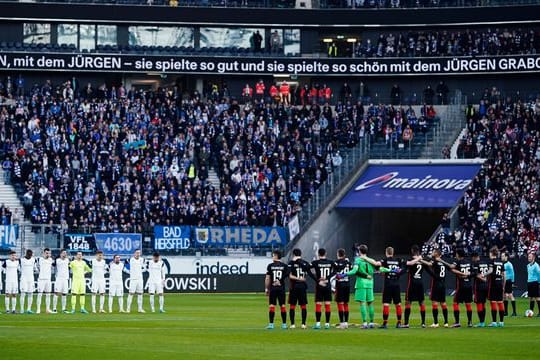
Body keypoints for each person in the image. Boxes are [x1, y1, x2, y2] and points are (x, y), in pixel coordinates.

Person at [342, 244, 391, 329]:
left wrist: (343, 274)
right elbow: (380, 269)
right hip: (370, 283)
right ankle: (371, 322)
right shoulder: (371, 260)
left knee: (363, 303)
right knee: (370, 303)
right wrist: (391, 270)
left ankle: (365, 323)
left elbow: (354, 271)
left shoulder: (358, 260)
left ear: (359, 251)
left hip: (361, 283)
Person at [363, 247, 405, 328]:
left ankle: (385, 323)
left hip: (388, 284)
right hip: (396, 284)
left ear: (386, 252)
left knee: (386, 304)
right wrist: (398, 273)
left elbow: (378, 265)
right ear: (393, 252)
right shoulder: (398, 260)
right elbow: (403, 269)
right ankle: (399, 323)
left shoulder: (385, 260)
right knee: (398, 304)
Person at [446, 249, 474, 328]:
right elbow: (474, 273)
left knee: (455, 302)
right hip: (469, 286)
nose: (455, 255)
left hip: (461, 286)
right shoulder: (469, 262)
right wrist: (468, 275)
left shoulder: (457, 262)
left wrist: (443, 261)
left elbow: (451, 268)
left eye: (456, 254)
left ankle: (457, 322)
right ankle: (470, 322)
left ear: (458, 255)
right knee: (468, 304)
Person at [288, 248, 314, 329]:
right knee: (303, 306)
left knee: (292, 305)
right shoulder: (305, 263)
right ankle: (303, 324)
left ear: (293, 254)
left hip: (294, 286)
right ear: (301, 254)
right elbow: (310, 273)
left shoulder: (291, 263)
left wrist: (297, 278)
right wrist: (317, 280)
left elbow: (290, 275)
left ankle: (292, 324)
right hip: (302, 286)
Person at [423, 249, 449, 328]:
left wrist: (420, 260)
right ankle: (446, 322)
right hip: (443, 284)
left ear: (437, 254)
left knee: (434, 303)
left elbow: (429, 264)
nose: (432, 253)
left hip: (436, 283)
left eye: (433, 252)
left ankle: (436, 322)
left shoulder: (435, 261)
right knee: (443, 303)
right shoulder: (443, 262)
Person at [310, 248, 334, 329]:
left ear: (318, 254)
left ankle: (318, 324)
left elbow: (307, 269)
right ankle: (327, 324)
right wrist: (328, 277)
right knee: (327, 304)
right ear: (325, 253)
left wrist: (317, 280)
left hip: (319, 285)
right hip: (327, 285)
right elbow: (337, 269)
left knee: (318, 304)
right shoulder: (330, 262)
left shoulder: (315, 263)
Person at [264, 250, 289, 329]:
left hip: (273, 288)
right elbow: (287, 274)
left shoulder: (270, 266)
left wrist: (266, 288)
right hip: (281, 288)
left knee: (272, 305)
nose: (272, 257)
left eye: (273, 255)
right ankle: (284, 324)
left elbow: (267, 278)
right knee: (283, 306)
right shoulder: (285, 266)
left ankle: (271, 324)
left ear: (276, 256)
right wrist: (280, 280)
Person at [403, 245, 426, 328]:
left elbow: (408, 265)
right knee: (422, 302)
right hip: (420, 283)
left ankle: (406, 323)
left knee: (408, 302)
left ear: (412, 251)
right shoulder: (422, 260)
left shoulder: (410, 259)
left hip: (412, 283)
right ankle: (423, 323)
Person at [484, 247, 505, 327]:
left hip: (493, 283)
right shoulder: (501, 262)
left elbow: (490, 271)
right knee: (500, 302)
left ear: (492, 253)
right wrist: (503, 284)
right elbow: (503, 274)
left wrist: (483, 274)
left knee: (493, 302)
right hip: (500, 283)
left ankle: (494, 322)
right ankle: (501, 322)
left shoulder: (491, 261)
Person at [333, 248, 352, 329]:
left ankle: (342, 323)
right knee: (346, 303)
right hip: (347, 284)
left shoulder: (336, 263)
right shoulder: (348, 263)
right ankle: (346, 322)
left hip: (340, 284)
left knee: (340, 303)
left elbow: (334, 273)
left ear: (338, 254)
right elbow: (351, 269)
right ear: (344, 255)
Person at [471, 251, 490, 327]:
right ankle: (483, 321)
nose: (472, 260)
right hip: (486, 285)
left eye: (472, 258)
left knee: (479, 303)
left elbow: (476, 274)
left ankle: (481, 322)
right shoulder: (485, 263)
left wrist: (482, 279)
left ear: (474, 257)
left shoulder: (476, 264)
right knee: (483, 303)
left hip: (479, 286)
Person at [36, 248, 54, 314]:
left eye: (49, 253)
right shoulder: (40, 259)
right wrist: (46, 256)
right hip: (41, 279)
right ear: (43, 253)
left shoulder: (50, 260)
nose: (48, 254)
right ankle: (38, 309)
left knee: (48, 295)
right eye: (46, 253)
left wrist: (49, 257)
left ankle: (48, 309)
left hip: (48, 279)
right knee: (40, 294)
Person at [52, 249, 70, 313]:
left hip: (65, 279)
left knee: (64, 294)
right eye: (63, 253)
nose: (65, 254)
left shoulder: (68, 260)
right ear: (60, 254)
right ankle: (54, 308)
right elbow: (53, 265)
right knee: (56, 293)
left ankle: (64, 309)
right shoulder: (57, 260)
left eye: (65, 253)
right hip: (59, 279)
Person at [20, 249, 36, 314]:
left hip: (31, 279)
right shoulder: (21, 260)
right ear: (26, 254)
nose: (30, 255)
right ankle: (22, 309)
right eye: (29, 253)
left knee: (30, 294)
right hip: (24, 279)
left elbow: (35, 268)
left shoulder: (33, 260)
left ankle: (29, 309)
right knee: (23, 294)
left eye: (31, 254)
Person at [502, 252, 517, 317]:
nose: (501, 257)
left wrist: (512, 282)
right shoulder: (504, 264)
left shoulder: (509, 264)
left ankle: (514, 312)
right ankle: (506, 312)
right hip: (505, 281)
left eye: (503, 256)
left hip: (508, 281)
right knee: (505, 296)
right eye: (501, 256)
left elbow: (512, 273)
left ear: (506, 257)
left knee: (510, 295)